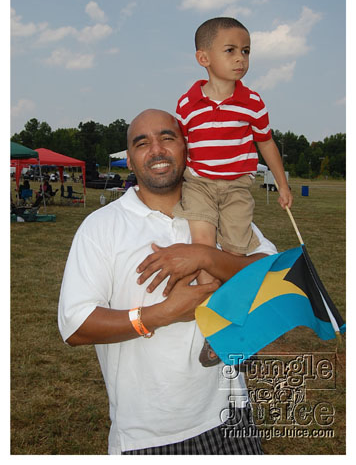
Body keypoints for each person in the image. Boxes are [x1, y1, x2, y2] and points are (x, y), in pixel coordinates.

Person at [58, 109, 277, 455]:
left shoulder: (220, 212)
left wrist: (205, 257)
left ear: (186, 148)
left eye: (167, 137)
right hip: (150, 436)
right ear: (130, 161)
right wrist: (162, 313)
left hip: (231, 417)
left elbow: (272, 273)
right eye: (142, 143)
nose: (156, 150)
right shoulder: (102, 227)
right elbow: (75, 325)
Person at [173, 17, 293, 365]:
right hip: (198, 184)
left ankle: (230, 328)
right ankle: (213, 333)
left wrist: (282, 184)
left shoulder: (252, 102)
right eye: (231, 51)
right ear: (204, 58)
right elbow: (182, 148)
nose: (241, 58)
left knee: (235, 259)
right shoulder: (187, 104)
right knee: (203, 250)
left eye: (246, 51)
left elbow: (266, 143)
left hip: (238, 187)